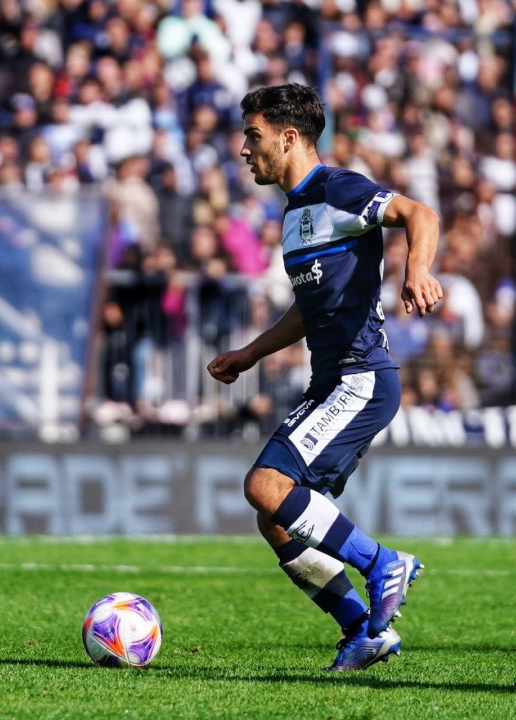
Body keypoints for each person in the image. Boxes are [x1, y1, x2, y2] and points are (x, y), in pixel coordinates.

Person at [207, 84, 443, 672]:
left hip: (360, 376)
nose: (243, 149)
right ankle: (362, 632)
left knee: (264, 486)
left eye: (252, 136)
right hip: (332, 379)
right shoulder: (293, 217)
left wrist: (417, 271)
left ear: (289, 138)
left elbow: (420, 213)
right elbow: (307, 311)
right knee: (275, 516)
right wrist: (252, 353)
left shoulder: (337, 188)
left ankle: (381, 562)